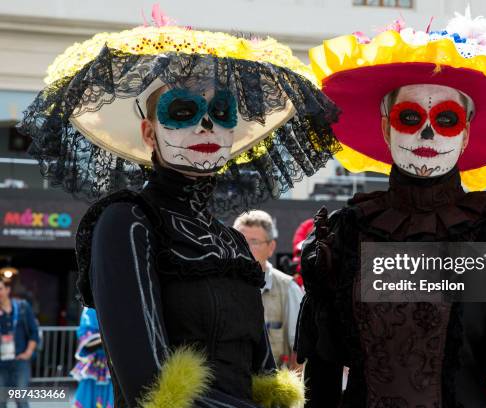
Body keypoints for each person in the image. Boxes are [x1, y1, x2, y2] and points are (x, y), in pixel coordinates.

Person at [18, 6, 340, 408]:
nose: (207, 126)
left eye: (221, 113)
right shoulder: (129, 222)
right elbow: (149, 387)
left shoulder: (233, 243)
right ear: (149, 133)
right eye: (183, 111)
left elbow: (263, 374)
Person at [295, 10, 486, 408]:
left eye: (446, 119)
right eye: (410, 117)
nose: (427, 133)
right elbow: (323, 375)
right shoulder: (344, 236)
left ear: (467, 131)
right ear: (386, 128)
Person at [233, 211, 304, 368]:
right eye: (240, 241)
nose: (246, 248)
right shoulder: (222, 287)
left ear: (271, 247)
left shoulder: (288, 288)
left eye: (254, 242)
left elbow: (299, 353)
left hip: (271, 387)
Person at [0, 278, 39, 408]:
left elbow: (34, 332)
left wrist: (28, 353)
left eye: (0, 289)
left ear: (7, 290)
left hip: (20, 361)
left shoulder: (22, 307)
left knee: (21, 401)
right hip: (1, 364)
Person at [71, 307, 113, 408]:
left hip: (112, 364)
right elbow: (85, 337)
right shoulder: (89, 309)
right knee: (87, 395)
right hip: (94, 362)